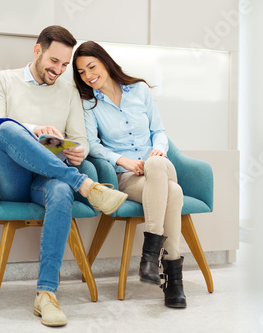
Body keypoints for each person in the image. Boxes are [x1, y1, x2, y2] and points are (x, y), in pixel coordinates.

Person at [0, 27, 128, 327]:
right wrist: (35, 129)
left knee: (61, 190)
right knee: (8, 128)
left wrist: (78, 152)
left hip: (46, 179)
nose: (59, 70)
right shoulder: (5, 80)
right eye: (54, 61)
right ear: (38, 51)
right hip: (13, 180)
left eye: (65, 64)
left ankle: (46, 294)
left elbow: (80, 139)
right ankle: (85, 185)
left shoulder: (69, 91)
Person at [73, 41, 187, 308]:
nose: (88, 75)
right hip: (128, 176)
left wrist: (157, 153)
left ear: (105, 62)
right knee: (175, 192)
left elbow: (159, 131)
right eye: (81, 72)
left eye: (92, 66)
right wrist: (123, 160)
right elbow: (94, 145)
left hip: (159, 165)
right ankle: (174, 281)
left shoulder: (139, 90)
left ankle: (149, 255)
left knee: (156, 166)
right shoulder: (89, 103)